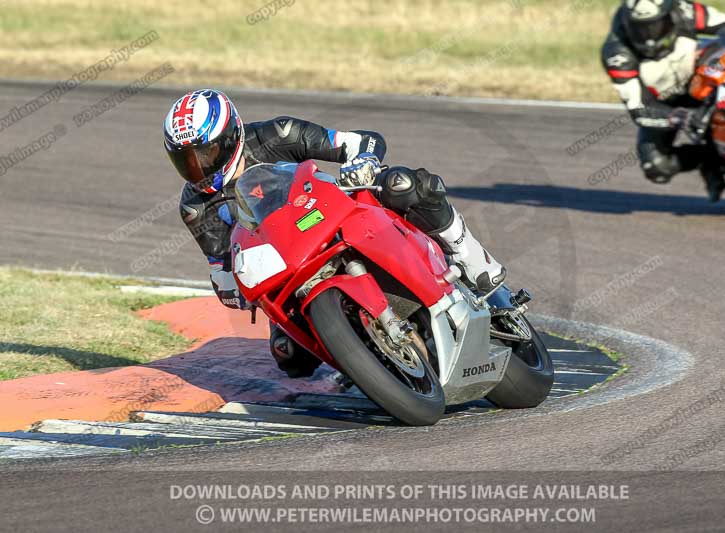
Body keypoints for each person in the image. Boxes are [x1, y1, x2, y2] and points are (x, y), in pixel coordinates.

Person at [163, 89, 505, 377]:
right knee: (289, 357)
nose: (198, 168)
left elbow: (362, 141)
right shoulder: (195, 206)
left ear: (230, 136)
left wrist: (361, 161)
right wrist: (233, 286)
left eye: (205, 154)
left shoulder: (277, 134)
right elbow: (221, 265)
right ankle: (365, 362)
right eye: (186, 161)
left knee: (405, 183)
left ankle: (470, 257)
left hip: (331, 214)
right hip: (286, 267)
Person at [601, 0, 725, 201]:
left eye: (655, 25)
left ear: (669, 15)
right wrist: (678, 117)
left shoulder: (684, 11)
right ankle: (711, 158)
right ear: (627, 22)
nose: (649, 36)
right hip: (665, 105)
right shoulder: (617, 55)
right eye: (639, 28)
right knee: (657, 166)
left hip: (703, 75)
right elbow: (639, 109)